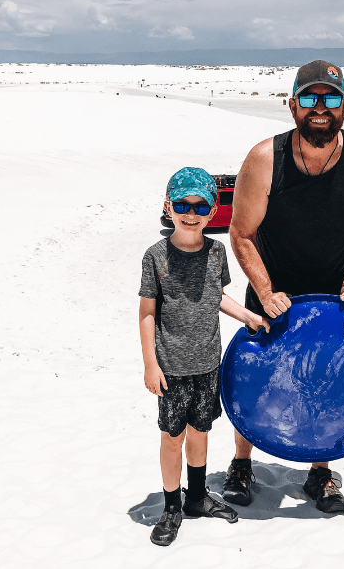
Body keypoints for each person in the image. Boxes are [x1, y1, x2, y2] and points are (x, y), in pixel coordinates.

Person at [224, 60, 344, 513]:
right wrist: (264, 290)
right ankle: (242, 462)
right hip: (270, 287)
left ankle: (321, 473)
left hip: (332, 293)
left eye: (332, 98)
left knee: (326, 379)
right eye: (311, 98)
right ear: (293, 104)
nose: (321, 108)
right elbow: (240, 233)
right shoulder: (264, 158)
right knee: (256, 376)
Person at [139, 167, 270, 546]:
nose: (191, 213)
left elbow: (217, 296)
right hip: (172, 370)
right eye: (182, 204)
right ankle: (171, 506)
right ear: (168, 207)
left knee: (201, 431)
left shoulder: (217, 252)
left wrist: (249, 317)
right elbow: (148, 312)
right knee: (172, 437)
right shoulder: (156, 256)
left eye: (200, 205)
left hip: (208, 364)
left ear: (213, 210)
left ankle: (196, 497)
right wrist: (151, 363)